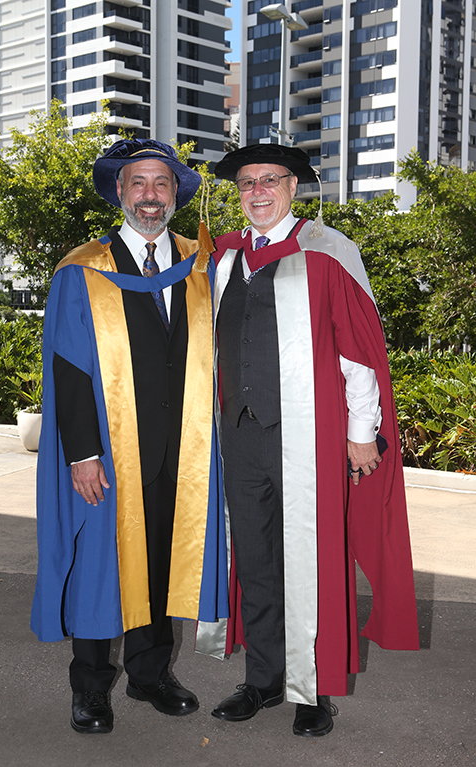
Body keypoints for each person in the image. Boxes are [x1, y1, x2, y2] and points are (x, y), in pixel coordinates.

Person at [206, 144, 418, 737]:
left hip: (312, 437)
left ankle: (313, 691)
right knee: (255, 559)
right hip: (241, 436)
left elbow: (359, 354)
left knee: (313, 563)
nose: (257, 191)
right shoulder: (223, 259)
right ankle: (264, 679)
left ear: (293, 187)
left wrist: (360, 434)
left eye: (270, 180)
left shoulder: (326, 252)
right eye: (246, 183)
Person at [31, 139, 228, 734]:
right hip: (111, 453)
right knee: (101, 565)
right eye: (138, 183)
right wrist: (82, 453)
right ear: (119, 192)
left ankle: (148, 675)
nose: (150, 195)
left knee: (162, 563)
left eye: (161, 184)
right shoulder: (84, 270)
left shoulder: (203, 264)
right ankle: (90, 688)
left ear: (175, 195)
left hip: (185, 450)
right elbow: (69, 370)